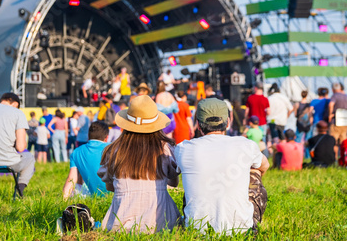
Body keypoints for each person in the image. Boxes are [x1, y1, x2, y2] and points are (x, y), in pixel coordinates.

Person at [175, 98, 269, 234]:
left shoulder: (183, 148)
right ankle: (246, 220)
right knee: (255, 169)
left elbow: (171, 177)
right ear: (228, 122)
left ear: (198, 125)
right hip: (240, 231)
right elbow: (265, 165)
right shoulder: (245, 145)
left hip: (195, 230)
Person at [97, 95, 180, 233]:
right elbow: (174, 183)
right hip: (161, 223)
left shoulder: (113, 150)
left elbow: (110, 187)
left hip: (121, 225)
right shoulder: (166, 148)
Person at [63, 121, 109, 199]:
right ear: (106, 137)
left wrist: (64, 200)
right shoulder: (113, 148)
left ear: (88, 136)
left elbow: (71, 179)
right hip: (114, 196)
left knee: (78, 186)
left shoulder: (76, 152)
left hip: (93, 196)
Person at [328, 83, 347, 147]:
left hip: (335, 122)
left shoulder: (335, 96)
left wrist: (330, 114)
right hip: (345, 122)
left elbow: (331, 104)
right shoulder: (346, 96)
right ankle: (344, 156)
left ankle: (334, 156)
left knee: (333, 142)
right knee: (343, 143)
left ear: (333, 89)